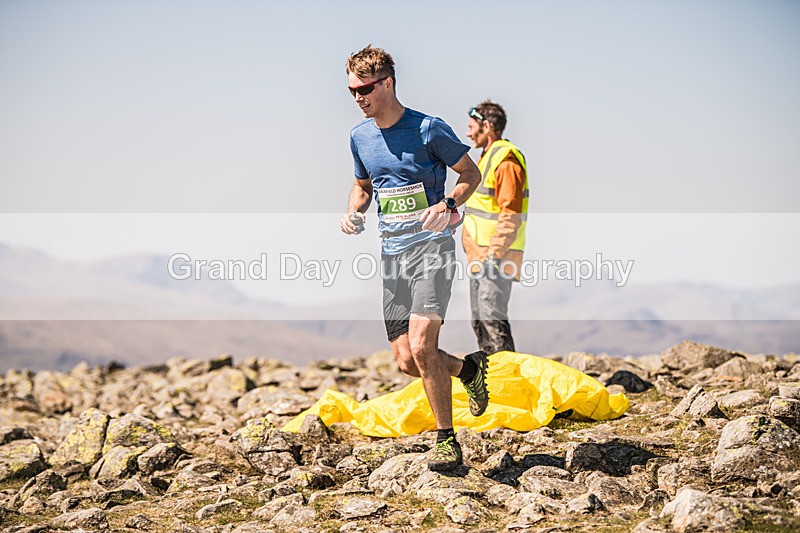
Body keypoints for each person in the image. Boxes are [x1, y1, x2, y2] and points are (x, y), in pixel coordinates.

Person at [339, 45, 488, 471]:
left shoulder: (427, 129)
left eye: (364, 89)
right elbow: (363, 185)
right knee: (407, 360)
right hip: (392, 257)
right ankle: (469, 371)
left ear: (387, 83)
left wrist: (449, 205)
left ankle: (446, 442)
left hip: (432, 251)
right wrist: (353, 210)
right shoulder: (359, 137)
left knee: (423, 347)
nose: (357, 98)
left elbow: (470, 173)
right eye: (351, 91)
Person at [462, 101, 529, 355]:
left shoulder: (506, 159)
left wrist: (494, 254)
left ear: (487, 126)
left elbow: (510, 212)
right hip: (480, 256)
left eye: (471, 127)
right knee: (479, 321)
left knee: (492, 316)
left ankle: (510, 382)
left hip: (497, 256)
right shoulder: (485, 158)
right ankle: (493, 384)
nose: (468, 133)